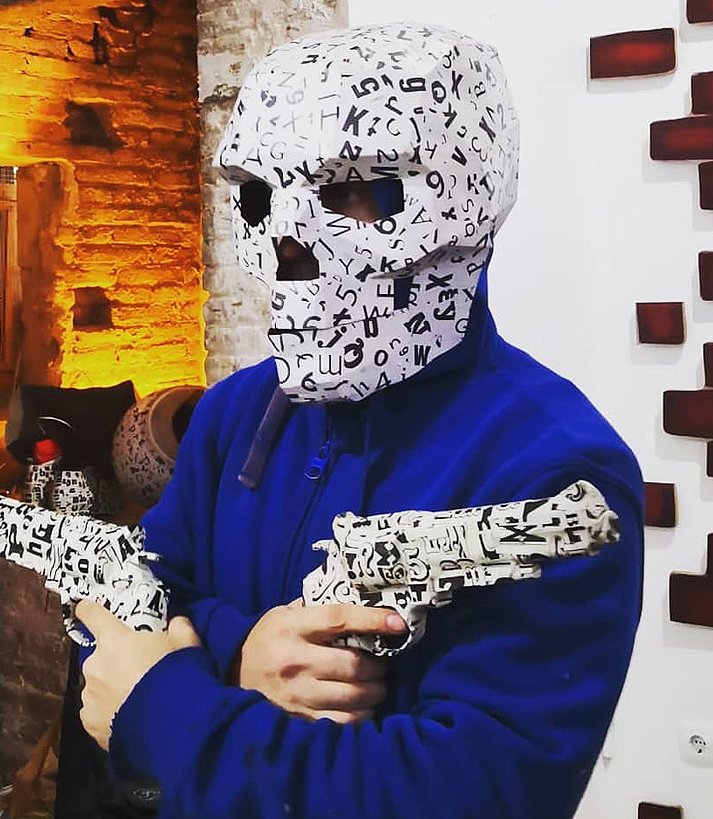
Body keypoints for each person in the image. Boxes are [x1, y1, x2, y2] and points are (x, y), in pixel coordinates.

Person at [76, 22, 644, 819]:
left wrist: (165, 708)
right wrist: (241, 653)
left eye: (352, 189)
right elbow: (111, 617)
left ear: (465, 203)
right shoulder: (235, 414)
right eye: (261, 196)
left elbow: (458, 796)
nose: (291, 246)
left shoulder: (552, 472)